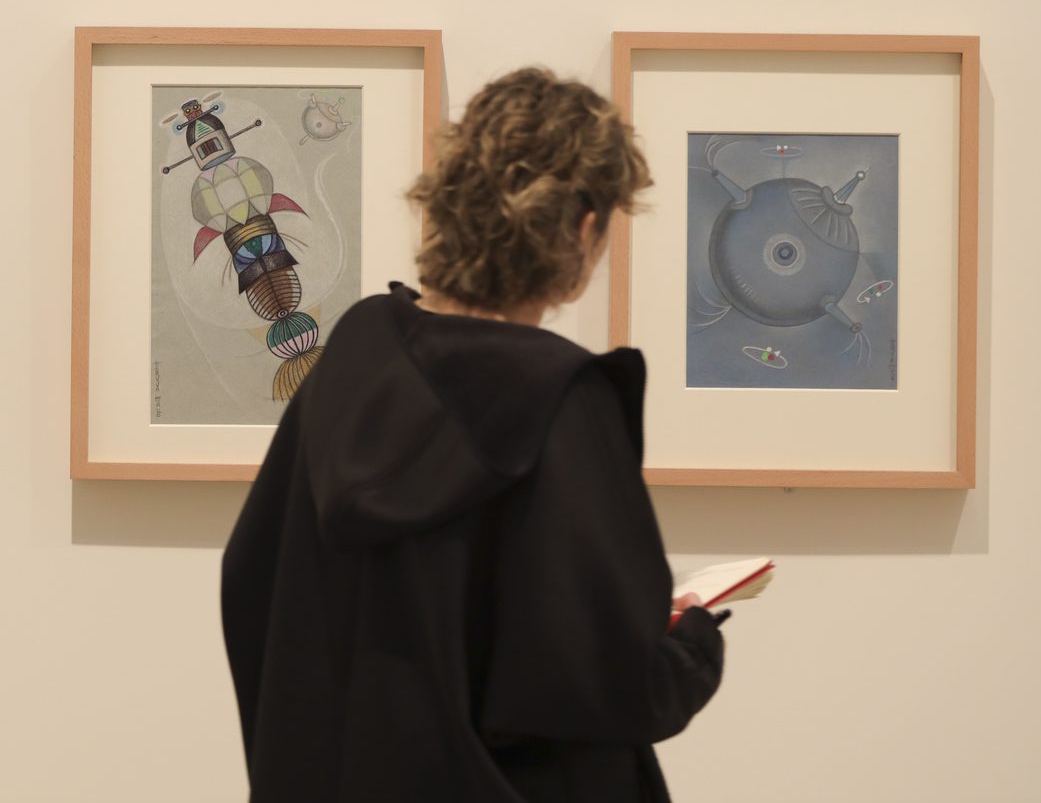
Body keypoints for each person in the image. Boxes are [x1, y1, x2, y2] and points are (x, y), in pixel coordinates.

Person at [221, 66, 725, 802]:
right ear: (584, 229)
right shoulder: (560, 399)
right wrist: (695, 647)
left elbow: (251, 583)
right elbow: (611, 680)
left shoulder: (357, 354)